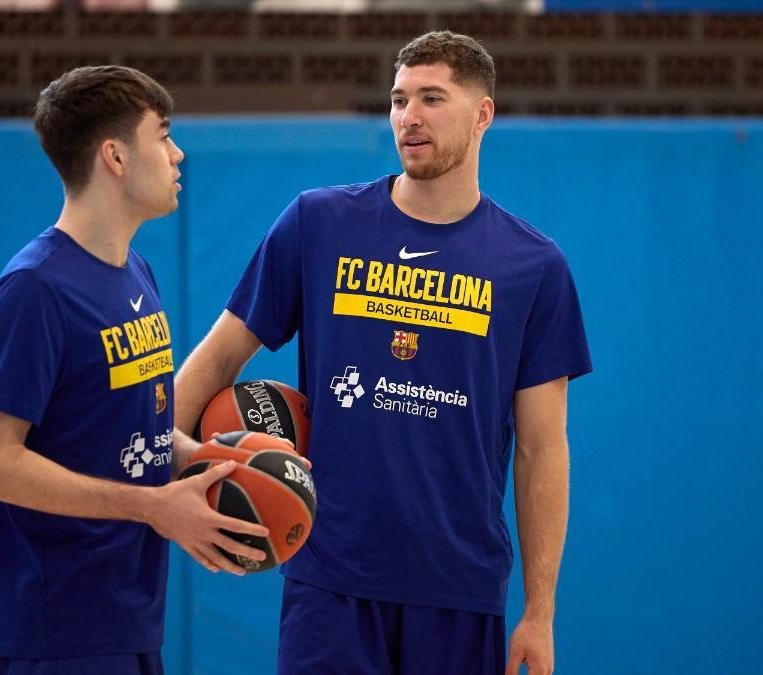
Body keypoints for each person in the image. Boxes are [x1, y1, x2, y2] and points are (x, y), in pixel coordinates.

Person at [173, 32, 592, 675]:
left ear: (483, 114)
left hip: (459, 588)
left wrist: (539, 614)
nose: (409, 116)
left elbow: (542, 448)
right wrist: (152, 462)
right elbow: (221, 356)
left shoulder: (534, 267)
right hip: (331, 580)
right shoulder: (318, 223)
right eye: (398, 99)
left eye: (431, 98)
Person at [0, 65, 269, 675]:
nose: (178, 153)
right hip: (58, 628)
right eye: (163, 134)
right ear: (116, 157)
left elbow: (134, 433)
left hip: (129, 614)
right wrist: (153, 507)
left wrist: (217, 462)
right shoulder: (35, 289)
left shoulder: (137, 272)